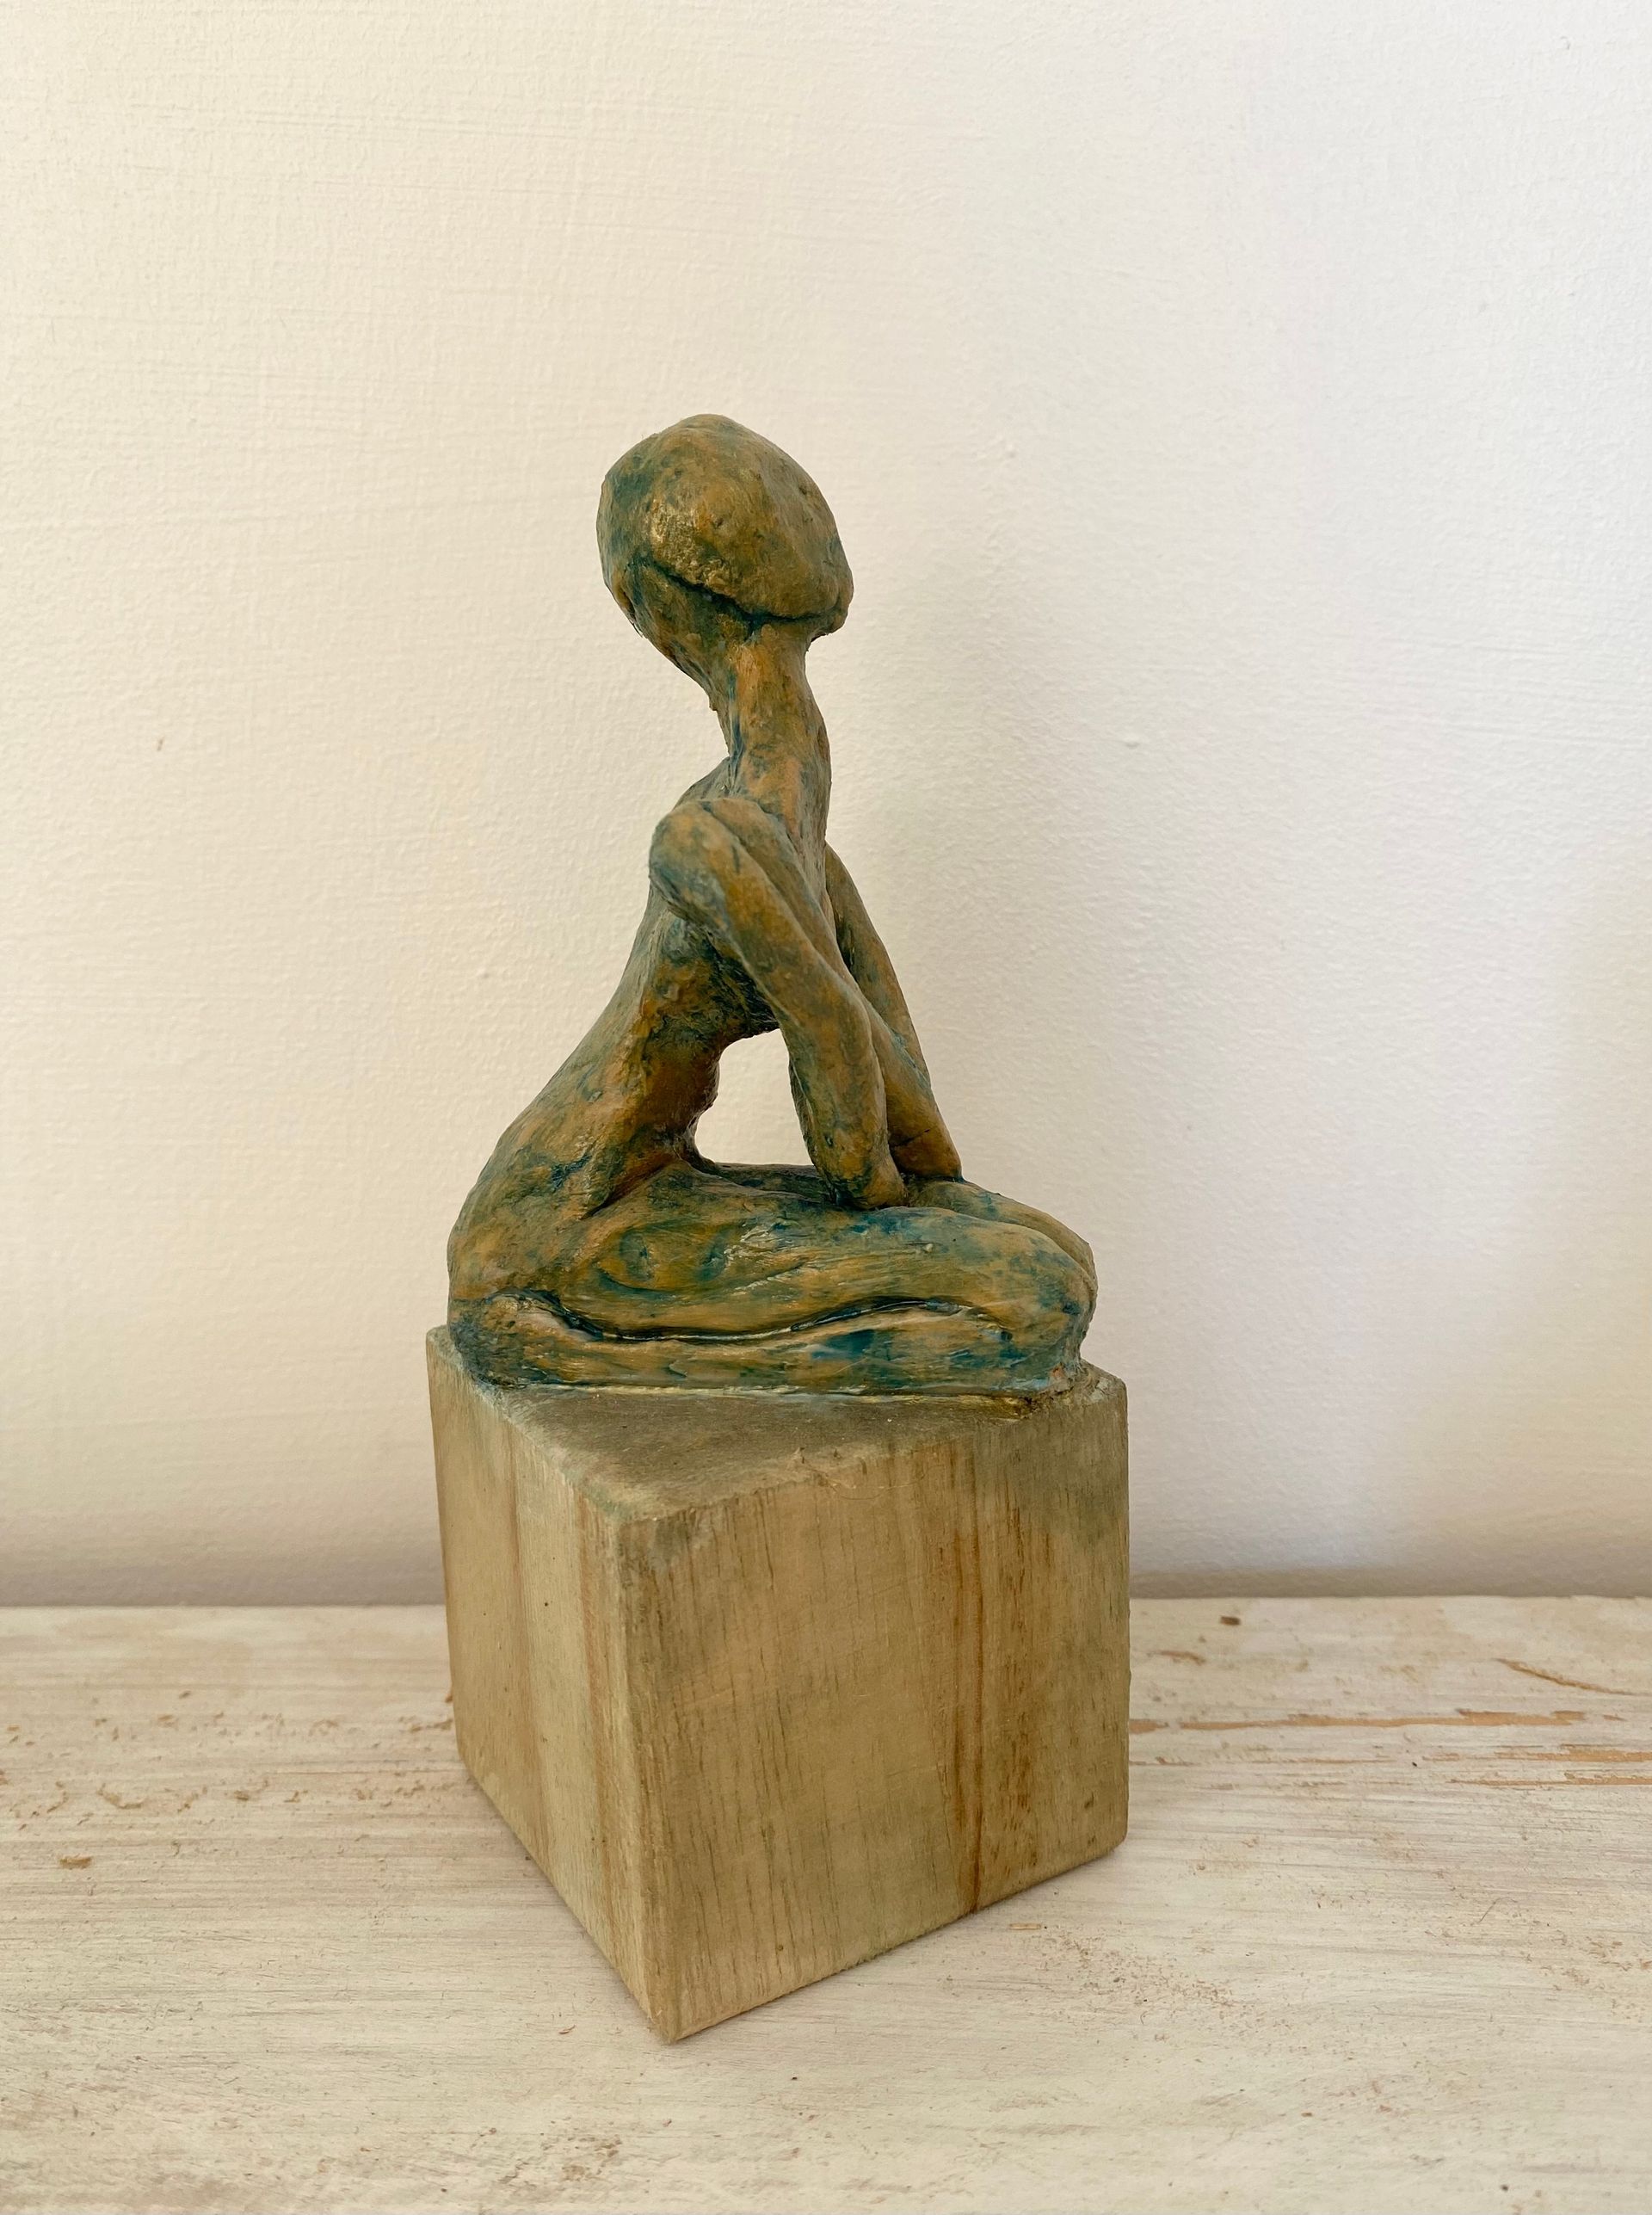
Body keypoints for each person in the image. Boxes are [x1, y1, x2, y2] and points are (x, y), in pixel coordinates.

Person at [447, 416, 1095, 1394]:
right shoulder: (708, 843)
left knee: (1058, 1262)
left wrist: (927, 1209)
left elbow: (912, 1143)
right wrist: (916, 1219)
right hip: (559, 1222)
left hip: (653, 1188)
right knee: (1039, 1292)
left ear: (649, 611)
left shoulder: (792, 847)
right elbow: (859, 1149)